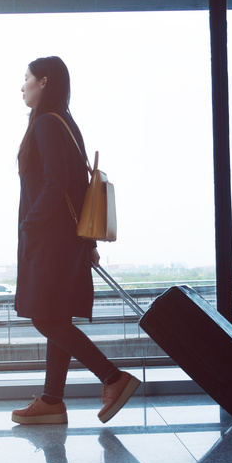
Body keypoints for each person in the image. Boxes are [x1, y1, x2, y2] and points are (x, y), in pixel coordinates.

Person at [10, 57, 142, 426]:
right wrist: (85, 242)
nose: (22, 86)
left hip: (51, 240)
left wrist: (30, 224)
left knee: (44, 317)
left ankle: (113, 378)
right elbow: (76, 186)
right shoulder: (66, 124)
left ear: (43, 81)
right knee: (55, 314)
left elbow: (55, 185)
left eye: (26, 79)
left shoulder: (47, 126)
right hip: (65, 239)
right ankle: (52, 400)